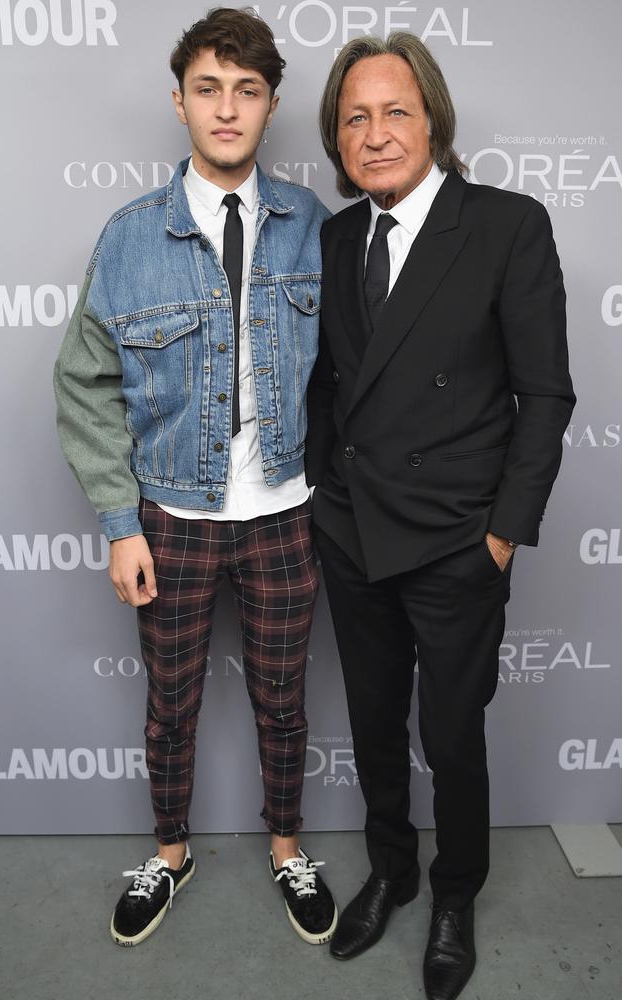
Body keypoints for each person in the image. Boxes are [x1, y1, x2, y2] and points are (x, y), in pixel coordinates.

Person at [54, 6, 336, 949]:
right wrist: (117, 521)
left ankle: (287, 846)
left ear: (271, 105)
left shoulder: (313, 228)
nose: (228, 109)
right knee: (169, 702)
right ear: (179, 102)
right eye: (209, 89)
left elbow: (354, 374)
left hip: (286, 515)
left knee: (285, 700)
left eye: (247, 92)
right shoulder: (130, 237)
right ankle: (169, 852)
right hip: (168, 518)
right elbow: (85, 384)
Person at [306, 32, 575, 1000]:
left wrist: (502, 531)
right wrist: (316, 494)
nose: (374, 135)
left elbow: (543, 395)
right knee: (374, 723)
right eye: (353, 119)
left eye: (394, 112)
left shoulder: (505, 223)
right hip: (350, 528)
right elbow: (328, 387)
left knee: (450, 731)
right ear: (335, 140)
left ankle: (454, 889)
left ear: (432, 121)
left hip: (460, 536)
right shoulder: (335, 238)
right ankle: (392, 867)